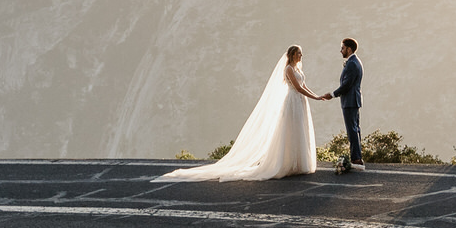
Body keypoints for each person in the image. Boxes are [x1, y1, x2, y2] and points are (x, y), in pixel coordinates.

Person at [154, 44, 323, 182]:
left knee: (299, 130)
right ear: (293, 54)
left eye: (301, 53)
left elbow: (304, 86)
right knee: (291, 131)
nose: (301, 56)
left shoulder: (298, 69)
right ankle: (287, 164)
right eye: (299, 53)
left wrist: (317, 96)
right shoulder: (288, 69)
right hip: (293, 101)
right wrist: (315, 98)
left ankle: (299, 163)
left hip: (300, 102)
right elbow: (298, 88)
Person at [325, 37, 364, 172]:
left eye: (342, 48)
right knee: (355, 129)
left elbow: (346, 84)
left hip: (350, 101)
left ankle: (356, 159)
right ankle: (357, 157)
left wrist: (333, 94)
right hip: (353, 100)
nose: (340, 50)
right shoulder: (354, 62)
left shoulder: (352, 63)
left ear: (349, 49)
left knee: (352, 130)